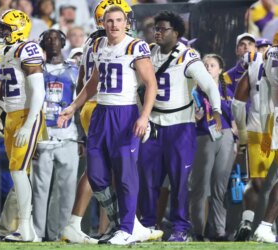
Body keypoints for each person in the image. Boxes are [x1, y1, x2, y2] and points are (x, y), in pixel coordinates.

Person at [61, 0, 163, 244]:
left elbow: (151, 84)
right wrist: (73, 106)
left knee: (126, 175)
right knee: (96, 174)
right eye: (110, 21)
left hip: (125, 114)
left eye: (119, 21)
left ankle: (127, 229)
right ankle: (124, 223)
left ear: (126, 23)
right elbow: (93, 82)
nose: (114, 25)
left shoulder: (135, 46)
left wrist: (144, 116)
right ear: (103, 23)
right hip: (101, 113)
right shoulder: (97, 44)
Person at [137, 11, 222, 242]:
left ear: (176, 32)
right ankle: (147, 224)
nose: (158, 32)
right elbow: (138, 88)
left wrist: (216, 110)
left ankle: (180, 228)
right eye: (156, 28)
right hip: (153, 124)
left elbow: (209, 85)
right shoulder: (148, 53)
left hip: (180, 127)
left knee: (179, 181)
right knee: (148, 179)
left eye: (163, 28)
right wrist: (141, 114)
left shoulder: (187, 55)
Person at [0, 9, 46, 242]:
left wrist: (30, 122)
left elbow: (38, 89)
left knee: (17, 170)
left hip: (27, 114)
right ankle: (29, 230)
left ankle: (24, 226)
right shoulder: (7, 50)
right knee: (19, 171)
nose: (0, 32)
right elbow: (5, 84)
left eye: (5, 27)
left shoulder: (27, 48)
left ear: (17, 28)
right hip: (13, 114)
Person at [31, 29, 80, 241]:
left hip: (68, 134)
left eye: (55, 38)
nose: (52, 42)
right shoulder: (34, 70)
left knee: (67, 190)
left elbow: (81, 105)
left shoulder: (74, 70)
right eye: (47, 39)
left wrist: (82, 137)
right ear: (42, 44)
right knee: (39, 189)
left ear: (63, 42)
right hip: (42, 135)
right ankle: (38, 233)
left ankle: (60, 233)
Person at [231, 37, 276, 242]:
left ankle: (248, 221)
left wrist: (242, 132)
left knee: (257, 182)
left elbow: (238, 104)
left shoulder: (254, 59)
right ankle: (266, 225)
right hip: (270, 125)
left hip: (258, 127)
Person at [190, 54, 236, 241]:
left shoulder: (227, 90)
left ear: (220, 70)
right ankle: (198, 231)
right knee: (201, 186)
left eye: (212, 65)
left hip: (224, 136)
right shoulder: (194, 92)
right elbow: (193, 117)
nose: (208, 68)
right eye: (205, 65)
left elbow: (234, 115)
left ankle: (219, 231)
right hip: (203, 137)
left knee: (220, 186)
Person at [254, 34, 278, 243]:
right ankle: (265, 225)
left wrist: (265, 129)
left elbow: (264, 97)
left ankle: (265, 225)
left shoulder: (269, 54)